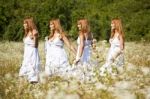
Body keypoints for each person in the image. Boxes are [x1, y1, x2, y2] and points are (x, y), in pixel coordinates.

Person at [19, 17, 40, 83]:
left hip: (32, 55)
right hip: (26, 56)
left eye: (25, 23)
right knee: (22, 75)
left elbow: (36, 46)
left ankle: (35, 88)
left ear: (29, 24)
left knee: (32, 75)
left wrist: (35, 37)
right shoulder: (26, 33)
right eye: (24, 23)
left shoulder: (33, 32)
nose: (24, 25)